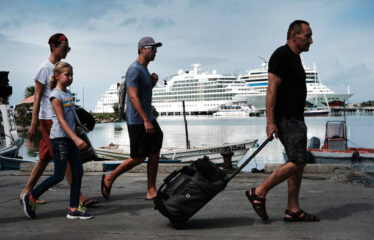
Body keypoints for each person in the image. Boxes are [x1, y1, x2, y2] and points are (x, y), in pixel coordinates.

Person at [245, 20, 319, 222]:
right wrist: (270, 122)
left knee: (298, 163)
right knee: (298, 160)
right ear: (294, 35)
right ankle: (259, 192)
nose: (311, 40)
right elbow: (271, 90)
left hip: (295, 118)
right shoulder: (282, 55)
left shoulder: (295, 58)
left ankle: (292, 209)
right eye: (307, 36)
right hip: (286, 118)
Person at [20, 33, 97, 208]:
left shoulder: (62, 69)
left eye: (68, 48)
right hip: (49, 120)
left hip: (56, 118)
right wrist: (33, 124)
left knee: (45, 158)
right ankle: (77, 197)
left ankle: (26, 192)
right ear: (53, 47)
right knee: (66, 160)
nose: (67, 52)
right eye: (64, 48)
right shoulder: (45, 68)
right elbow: (37, 97)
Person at [101, 37, 163, 200]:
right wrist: (145, 120)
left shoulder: (144, 69)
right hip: (138, 120)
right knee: (138, 157)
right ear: (142, 49)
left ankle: (151, 189)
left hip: (147, 117)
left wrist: (152, 83)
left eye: (156, 48)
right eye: (152, 48)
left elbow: (142, 94)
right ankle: (110, 177)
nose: (155, 51)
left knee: (155, 152)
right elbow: (133, 97)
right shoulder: (134, 69)